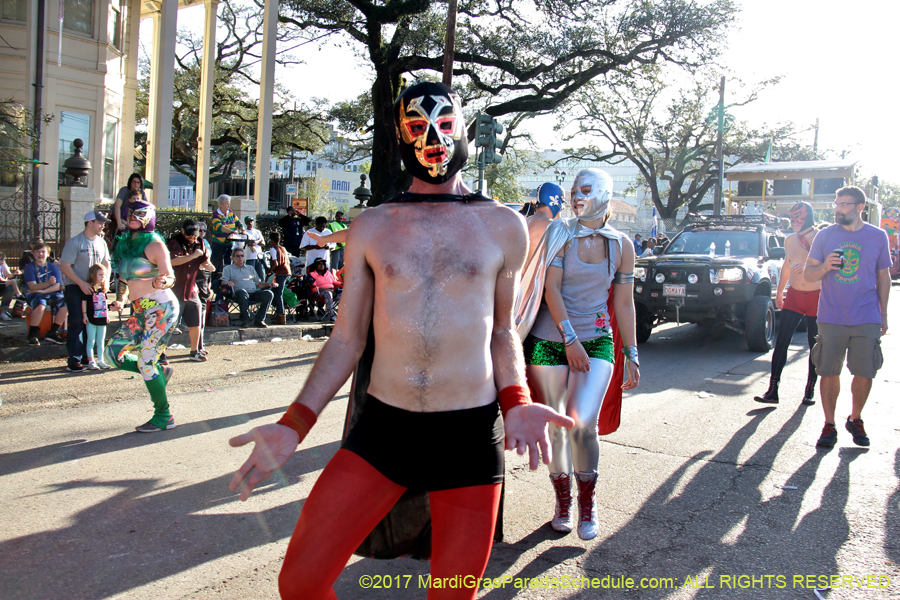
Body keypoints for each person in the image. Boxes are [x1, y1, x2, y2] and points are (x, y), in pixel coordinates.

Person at [227, 81, 573, 600]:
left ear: (464, 129)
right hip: (383, 431)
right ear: (399, 137)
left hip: (470, 437)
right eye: (417, 125)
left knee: (452, 596)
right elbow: (346, 339)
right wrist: (293, 425)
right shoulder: (372, 226)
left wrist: (518, 403)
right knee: (300, 582)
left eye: (444, 122)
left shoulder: (503, 226)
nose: (433, 136)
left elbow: (502, 332)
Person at [517, 168, 640, 540]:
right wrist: (569, 340)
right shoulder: (560, 231)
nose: (576, 196)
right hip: (549, 339)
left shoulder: (622, 244)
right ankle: (563, 501)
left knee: (583, 422)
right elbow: (550, 289)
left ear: (603, 192)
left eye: (585, 189)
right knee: (556, 425)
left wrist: (632, 353)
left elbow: (624, 302)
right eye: (574, 190)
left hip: (598, 339)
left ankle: (588, 502)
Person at [804, 186, 891, 448]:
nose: (837, 209)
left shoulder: (878, 236)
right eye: (836, 203)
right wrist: (824, 266)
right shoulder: (825, 236)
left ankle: (856, 418)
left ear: (859, 207)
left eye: (843, 204)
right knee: (829, 371)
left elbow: (883, 277)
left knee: (865, 371)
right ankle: (829, 425)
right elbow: (808, 275)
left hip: (867, 315)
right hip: (831, 315)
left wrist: (883, 315)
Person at [105, 200, 180, 432]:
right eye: (130, 213)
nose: (133, 217)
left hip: (161, 308)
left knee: (146, 362)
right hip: (139, 310)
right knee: (111, 354)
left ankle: (163, 416)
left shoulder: (155, 243)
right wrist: (120, 298)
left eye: (139, 213)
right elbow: (125, 280)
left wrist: (162, 280)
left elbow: (170, 275)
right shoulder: (126, 244)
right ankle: (159, 372)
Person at [755, 201, 821, 405]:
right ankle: (772, 389)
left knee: (814, 345)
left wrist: (809, 260)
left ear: (807, 218)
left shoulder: (821, 237)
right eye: (791, 218)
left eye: (798, 218)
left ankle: (809, 389)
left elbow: (828, 263)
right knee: (781, 341)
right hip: (794, 294)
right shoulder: (789, 240)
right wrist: (780, 291)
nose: (793, 222)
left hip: (817, 295)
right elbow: (787, 265)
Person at [59, 211, 112, 372]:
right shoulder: (75, 242)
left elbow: (107, 264)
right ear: (90, 223)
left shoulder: (101, 242)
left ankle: (87, 358)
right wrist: (80, 283)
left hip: (95, 290)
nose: (103, 226)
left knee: (92, 322)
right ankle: (74, 360)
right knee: (77, 322)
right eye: (100, 222)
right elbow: (65, 265)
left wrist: (105, 283)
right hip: (75, 287)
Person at [168, 219, 215, 362]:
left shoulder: (199, 242)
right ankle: (160, 352)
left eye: (194, 235)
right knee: (168, 323)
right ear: (182, 231)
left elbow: (204, 261)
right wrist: (193, 256)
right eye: (189, 235)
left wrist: (209, 266)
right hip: (174, 289)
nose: (192, 238)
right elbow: (172, 261)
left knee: (196, 321)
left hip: (191, 288)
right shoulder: (174, 243)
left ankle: (195, 351)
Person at [23, 242, 68, 346]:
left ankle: (53, 332)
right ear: (33, 254)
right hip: (34, 293)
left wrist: (43, 290)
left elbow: (56, 285)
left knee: (65, 305)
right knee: (40, 306)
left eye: (43, 252)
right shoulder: (29, 267)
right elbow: (32, 286)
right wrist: (47, 284)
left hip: (48, 291)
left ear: (48, 254)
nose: (40, 254)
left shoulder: (52, 266)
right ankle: (33, 333)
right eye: (37, 252)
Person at [220, 248, 276, 328]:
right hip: (238, 294)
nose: (240, 258)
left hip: (253, 293)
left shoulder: (250, 268)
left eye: (242, 256)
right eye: (237, 256)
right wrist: (228, 283)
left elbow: (258, 284)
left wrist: (268, 284)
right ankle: (245, 319)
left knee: (269, 294)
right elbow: (223, 282)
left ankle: (259, 320)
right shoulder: (228, 268)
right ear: (232, 258)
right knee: (242, 292)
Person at [80, 263, 113, 369]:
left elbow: (104, 303)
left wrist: (107, 315)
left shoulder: (103, 290)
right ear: (93, 275)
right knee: (91, 340)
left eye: (104, 275)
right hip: (91, 318)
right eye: (100, 275)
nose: (102, 277)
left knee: (101, 340)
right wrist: (84, 315)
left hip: (102, 318)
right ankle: (91, 361)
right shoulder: (89, 289)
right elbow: (84, 302)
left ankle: (101, 360)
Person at [527, 182, 564, 257]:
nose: (563, 208)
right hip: (542, 268)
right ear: (555, 201)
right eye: (562, 202)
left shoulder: (525, 221)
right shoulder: (554, 226)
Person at [209, 195, 240, 273]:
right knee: (217, 264)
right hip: (219, 244)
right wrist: (231, 231)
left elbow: (238, 222)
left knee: (228, 263)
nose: (229, 206)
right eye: (227, 204)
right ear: (221, 204)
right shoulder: (216, 214)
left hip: (229, 243)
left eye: (229, 204)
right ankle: (216, 279)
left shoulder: (231, 213)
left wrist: (242, 229)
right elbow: (219, 227)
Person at [267, 231, 292, 325]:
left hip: (280, 272)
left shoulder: (273, 249)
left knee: (278, 294)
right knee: (277, 292)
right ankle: (278, 313)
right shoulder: (283, 248)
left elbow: (275, 263)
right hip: (287, 272)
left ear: (271, 240)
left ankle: (281, 315)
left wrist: (269, 270)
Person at [307, 257, 341, 322]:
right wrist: (328, 290)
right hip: (318, 294)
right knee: (327, 293)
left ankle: (347, 314)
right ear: (315, 265)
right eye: (319, 264)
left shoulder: (328, 273)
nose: (322, 265)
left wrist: (346, 284)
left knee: (347, 292)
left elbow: (334, 282)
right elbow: (313, 289)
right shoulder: (312, 275)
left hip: (331, 292)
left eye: (323, 264)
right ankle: (332, 316)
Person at [234, 215, 266, 280]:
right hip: (250, 257)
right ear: (246, 223)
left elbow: (263, 243)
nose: (250, 223)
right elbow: (250, 243)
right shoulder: (245, 233)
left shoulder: (257, 231)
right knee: (250, 276)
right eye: (248, 222)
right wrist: (258, 240)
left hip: (259, 256)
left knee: (262, 275)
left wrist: (256, 241)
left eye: (251, 221)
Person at [0, 251, 25, 320]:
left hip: (1, 285)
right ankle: (18, 295)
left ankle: (2, 311)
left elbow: (8, 275)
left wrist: (14, 274)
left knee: (10, 288)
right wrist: (9, 282)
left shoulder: (2, 264)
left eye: (4, 260)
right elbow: (1, 279)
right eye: (2, 260)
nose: (3, 261)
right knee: (13, 282)